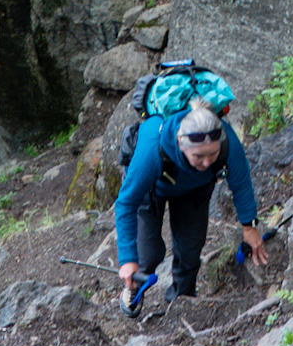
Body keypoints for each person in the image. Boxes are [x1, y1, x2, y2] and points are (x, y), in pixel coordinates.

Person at [115, 99, 268, 304]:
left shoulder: (228, 142)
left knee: (189, 252)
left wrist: (249, 227)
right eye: (198, 156)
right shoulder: (153, 148)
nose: (206, 162)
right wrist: (127, 260)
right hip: (151, 189)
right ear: (180, 142)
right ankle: (133, 287)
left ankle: (182, 301)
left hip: (194, 188)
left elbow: (241, 183)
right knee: (147, 257)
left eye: (212, 154)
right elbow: (126, 203)